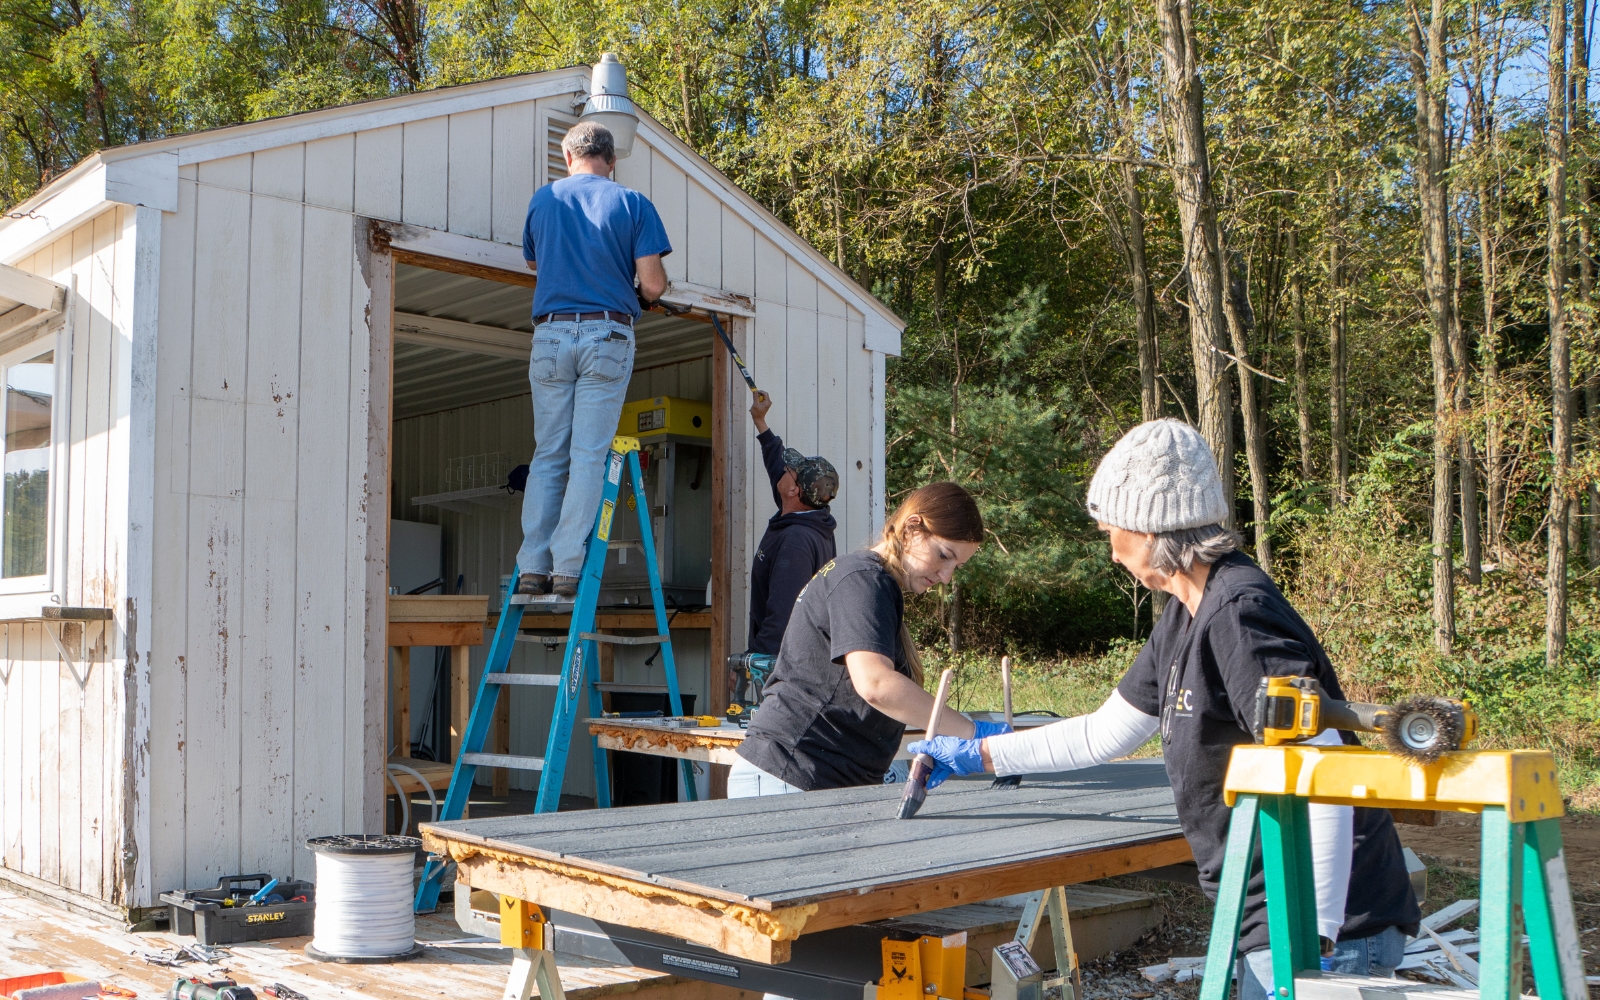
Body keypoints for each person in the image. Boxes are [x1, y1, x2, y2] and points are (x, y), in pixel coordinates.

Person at [907, 420, 1420, 998]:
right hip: (1268, 912)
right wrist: (978, 754)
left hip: (1320, 921)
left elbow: (1321, 766)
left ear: (1150, 530)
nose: (1110, 549)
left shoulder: (1238, 613)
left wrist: (1313, 943)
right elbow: (1104, 733)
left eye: (1110, 531)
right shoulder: (1185, 610)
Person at [730, 481, 1012, 796]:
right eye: (944, 555)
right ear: (913, 529)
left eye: (956, 566)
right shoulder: (862, 579)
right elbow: (876, 685)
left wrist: (943, 737)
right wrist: (973, 734)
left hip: (814, 779)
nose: (946, 576)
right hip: (789, 774)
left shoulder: (871, 582)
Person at [514, 121, 672, 598]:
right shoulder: (632, 203)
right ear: (613, 159)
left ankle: (531, 567)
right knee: (587, 456)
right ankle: (566, 569)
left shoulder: (544, 201)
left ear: (567, 158)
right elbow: (654, 285)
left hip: (551, 335)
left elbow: (535, 264)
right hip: (607, 333)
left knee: (548, 456)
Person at [736, 388, 839, 701]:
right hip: (790, 668)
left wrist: (751, 662)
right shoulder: (802, 513)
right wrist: (760, 421)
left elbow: (782, 616)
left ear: (794, 490)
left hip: (789, 674)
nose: (784, 469)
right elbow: (774, 463)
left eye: (791, 471)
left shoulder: (796, 541)